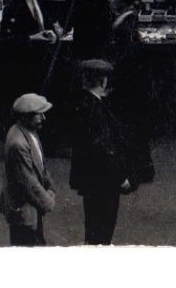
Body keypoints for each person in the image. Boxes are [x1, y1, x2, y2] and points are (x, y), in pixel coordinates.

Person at [69, 58, 134, 245]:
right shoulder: (96, 109)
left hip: (88, 180)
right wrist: (121, 177)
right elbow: (104, 150)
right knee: (103, 230)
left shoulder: (83, 104)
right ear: (103, 81)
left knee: (93, 228)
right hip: (103, 182)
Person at [0, 93, 57, 246]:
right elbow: (28, 181)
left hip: (32, 207)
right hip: (23, 210)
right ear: (26, 117)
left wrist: (50, 187)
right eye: (39, 115)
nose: (44, 118)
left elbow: (41, 165)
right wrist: (48, 200)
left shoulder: (30, 132)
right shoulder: (18, 143)